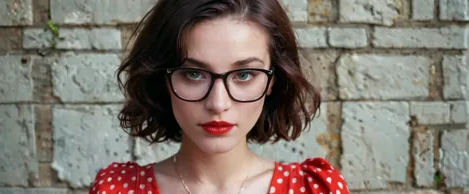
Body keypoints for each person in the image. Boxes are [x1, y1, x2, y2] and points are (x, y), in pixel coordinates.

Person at [89, 0, 350, 193]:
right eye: (193, 74)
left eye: (245, 75)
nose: (218, 104)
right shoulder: (117, 189)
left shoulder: (316, 189)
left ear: (273, 80)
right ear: (163, 79)